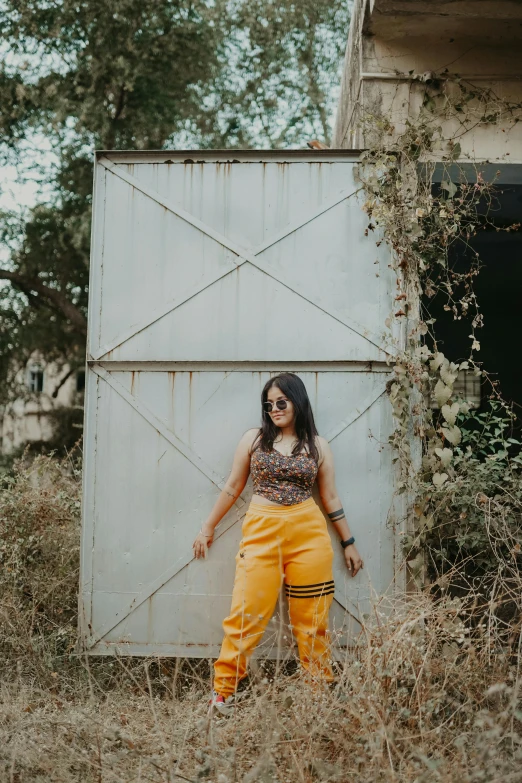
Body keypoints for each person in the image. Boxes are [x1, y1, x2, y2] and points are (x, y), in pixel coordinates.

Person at [192, 372, 364, 715]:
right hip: (261, 532)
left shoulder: (318, 446)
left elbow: (329, 496)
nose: (274, 409)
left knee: (311, 619)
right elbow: (233, 485)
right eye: (268, 404)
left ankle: (316, 696)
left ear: (297, 402)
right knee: (246, 614)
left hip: (309, 535)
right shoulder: (254, 440)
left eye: (281, 402)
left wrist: (348, 541)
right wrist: (207, 527)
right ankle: (222, 693)